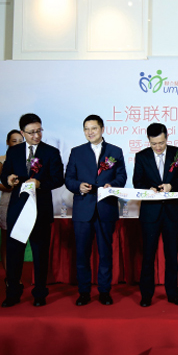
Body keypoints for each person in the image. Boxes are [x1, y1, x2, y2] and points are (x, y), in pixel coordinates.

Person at [0, 113, 64, 308]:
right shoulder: (14, 152)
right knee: (14, 254)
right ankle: (13, 293)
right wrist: (8, 179)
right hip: (18, 209)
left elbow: (58, 179)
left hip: (40, 211)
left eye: (39, 131)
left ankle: (40, 294)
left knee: (40, 254)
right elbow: (4, 175)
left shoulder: (51, 152)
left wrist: (40, 183)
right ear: (22, 132)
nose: (36, 135)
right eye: (31, 132)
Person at [65, 115, 127, 306]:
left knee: (105, 253)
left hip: (105, 208)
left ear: (102, 129)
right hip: (83, 209)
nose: (90, 132)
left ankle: (104, 291)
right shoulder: (77, 152)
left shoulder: (115, 151)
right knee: (82, 254)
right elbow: (69, 179)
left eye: (93, 128)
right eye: (86, 129)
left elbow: (122, 177)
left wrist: (112, 185)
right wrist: (78, 186)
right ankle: (84, 292)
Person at [132, 123, 178, 307]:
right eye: (154, 143)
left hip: (172, 212)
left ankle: (173, 293)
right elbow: (137, 181)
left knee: (171, 255)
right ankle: (146, 295)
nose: (158, 147)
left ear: (167, 137)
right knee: (148, 255)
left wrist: (171, 186)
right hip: (150, 213)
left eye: (161, 142)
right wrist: (148, 189)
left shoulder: (177, 153)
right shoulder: (141, 156)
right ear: (148, 141)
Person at [0, 129, 24, 273]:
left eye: (20, 141)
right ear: (7, 142)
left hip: (23, 200)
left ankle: (16, 274)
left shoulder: (29, 160)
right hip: (7, 200)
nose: (17, 144)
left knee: (20, 239)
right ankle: (8, 275)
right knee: (6, 239)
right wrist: (9, 187)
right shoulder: (2, 160)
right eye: (14, 141)